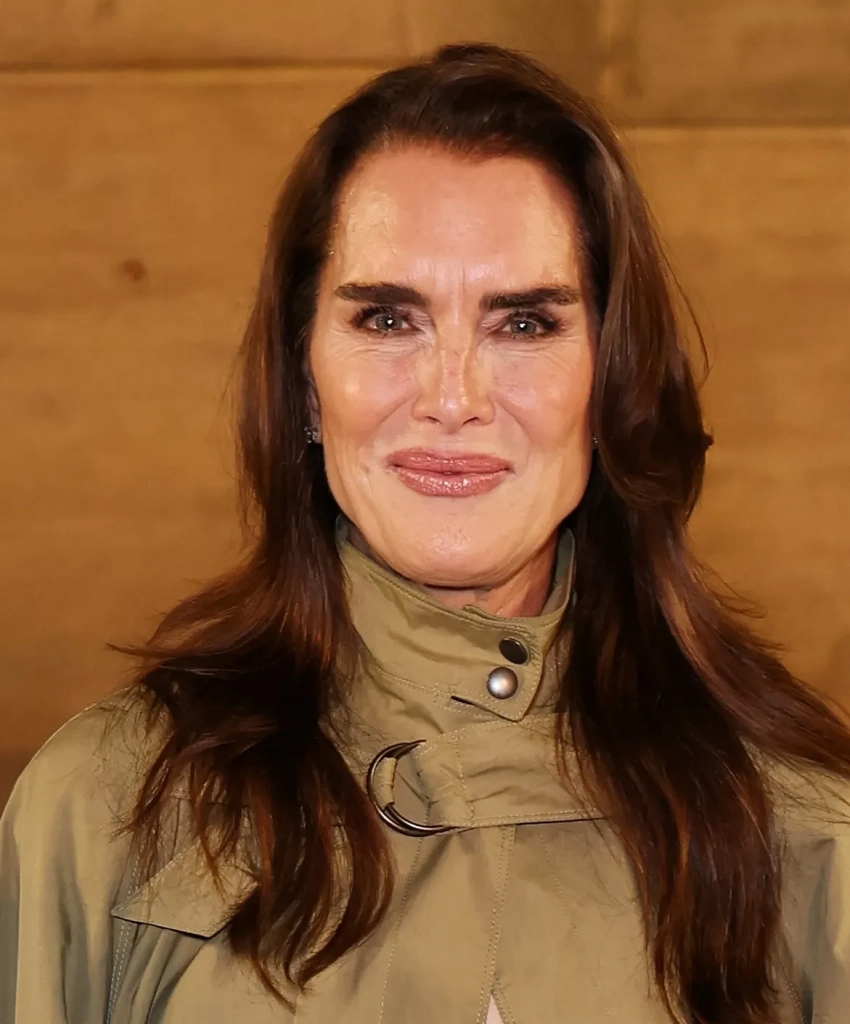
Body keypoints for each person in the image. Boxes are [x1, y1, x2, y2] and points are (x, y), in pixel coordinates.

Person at [1, 41, 849, 1024]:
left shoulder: (801, 834)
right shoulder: (106, 814)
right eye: (387, 320)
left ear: (610, 380)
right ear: (303, 378)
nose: (453, 397)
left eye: (522, 323)